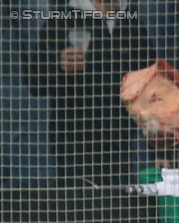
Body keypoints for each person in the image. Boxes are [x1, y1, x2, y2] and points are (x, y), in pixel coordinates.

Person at [24, 0, 156, 187]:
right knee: (75, 206)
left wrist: (158, 152)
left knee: (116, 205)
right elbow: (34, 83)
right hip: (73, 144)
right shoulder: (62, 21)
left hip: (118, 144)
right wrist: (58, 64)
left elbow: (151, 88)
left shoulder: (132, 25)